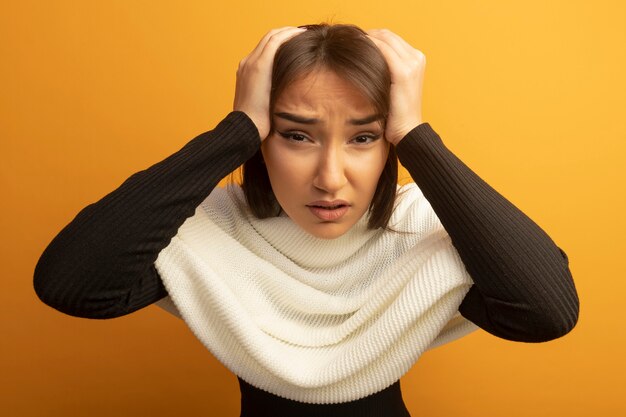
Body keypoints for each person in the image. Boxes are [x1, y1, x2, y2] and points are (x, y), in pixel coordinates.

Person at [33, 23, 580, 417]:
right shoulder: (214, 231)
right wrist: (238, 127)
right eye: (297, 135)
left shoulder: (420, 231)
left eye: (364, 137)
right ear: (262, 141)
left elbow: (547, 313)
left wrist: (415, 135)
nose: (330, 178)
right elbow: (72, 284)